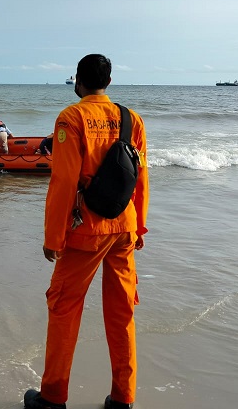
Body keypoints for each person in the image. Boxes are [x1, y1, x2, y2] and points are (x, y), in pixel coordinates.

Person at [24, 54, 149, 409]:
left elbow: (64, 179)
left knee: (64, 309)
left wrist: (53, 236)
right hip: (123, 227)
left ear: (79, 81)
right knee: (122, 313)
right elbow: (139, 177)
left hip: (86, 231)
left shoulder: (72, 116)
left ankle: (52, 397)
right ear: (108, 81)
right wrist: (139, 226)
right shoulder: (132, 119)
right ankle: (123, 398)